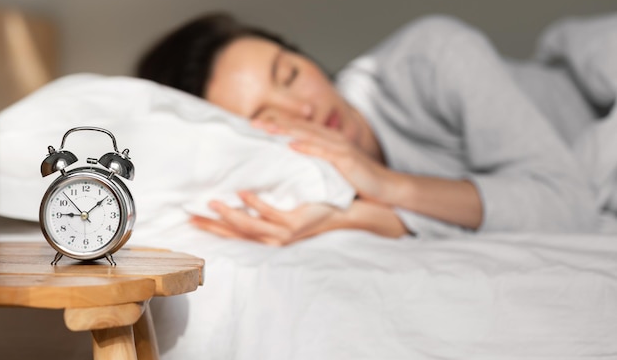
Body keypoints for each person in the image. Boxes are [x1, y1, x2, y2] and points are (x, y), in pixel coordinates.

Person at [136, 12, 597, 244]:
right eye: (270, 118)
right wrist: (359, 216)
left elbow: (570, 207)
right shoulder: (296, 185)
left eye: (291, 73)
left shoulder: (433, 55)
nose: (303, 109)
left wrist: (390, 187)